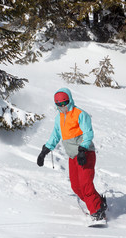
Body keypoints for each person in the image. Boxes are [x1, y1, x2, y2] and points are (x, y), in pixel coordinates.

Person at [37, 87, 107, 221]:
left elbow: (88, 134)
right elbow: (55, 135)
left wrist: (83, 149)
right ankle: (99, 203)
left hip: (85, 154)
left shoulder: (80, 114)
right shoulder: (59, 118)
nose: (62, 106)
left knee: (86, 185)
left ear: (70, 100)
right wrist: (45, 150)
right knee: (76, 186)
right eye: (59, 104)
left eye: (65, 103)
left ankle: (98, 212)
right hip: (73, 156)